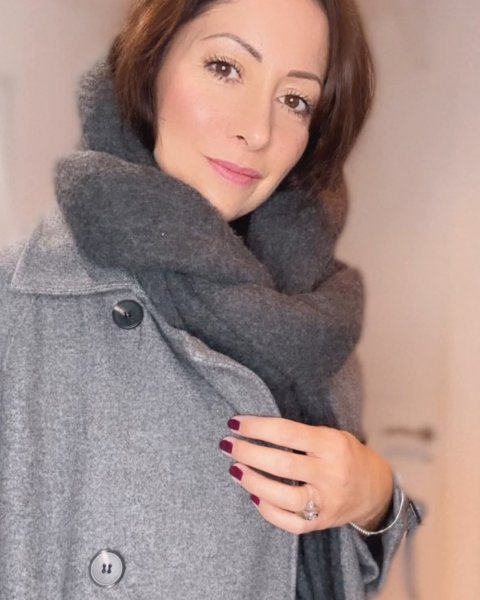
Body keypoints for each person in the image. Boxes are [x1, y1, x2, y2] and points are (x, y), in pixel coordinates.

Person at [0, 0, 421, 598]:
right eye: (225, 68)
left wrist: (374, 498)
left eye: (295, 99)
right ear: (151, 63)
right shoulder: (20, 304)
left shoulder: (312, 320)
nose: (258, 130)